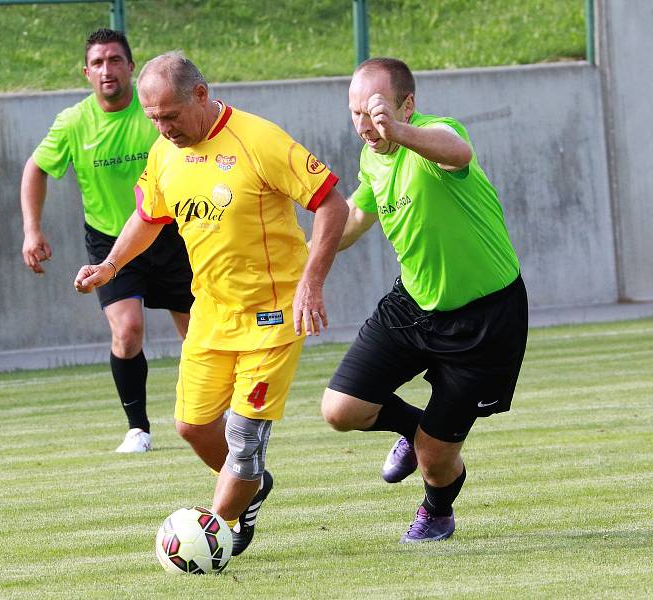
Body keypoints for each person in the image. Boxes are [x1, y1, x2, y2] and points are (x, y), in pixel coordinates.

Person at [74, 51, 349, 556]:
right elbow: (149, 216)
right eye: (153, 118)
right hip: (210, 314)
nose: (163, 127)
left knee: (243, 439)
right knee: (193, 426)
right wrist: (110, 266)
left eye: (170, 116)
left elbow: (331, 202)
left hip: (272, 316)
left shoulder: (259, 140)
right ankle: (251, 485)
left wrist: (312, 280)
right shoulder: (163, 151)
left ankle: (211, 536)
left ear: (201, 95)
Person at [320, 58, 528, 543]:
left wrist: (396, 129)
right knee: (340, 410)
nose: (364, 127)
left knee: (438, 460)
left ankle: (437, 510)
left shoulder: (434, 134)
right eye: (354, 114)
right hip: (412, 307)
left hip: (486, 318)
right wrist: (306, 252)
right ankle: (415, 431)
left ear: (407, 106)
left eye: (373, 113)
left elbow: (457, 153)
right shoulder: (373, 157)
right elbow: (353, 217)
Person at [20, 29, 193, 454]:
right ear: (86, 72)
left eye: (115, 60)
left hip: (172, 235)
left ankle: (212, 413)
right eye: (97, 63)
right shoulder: (73, 122)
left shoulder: (157, 110)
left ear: (131, 68)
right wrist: (31, 229)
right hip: (111, 243)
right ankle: (138, 428)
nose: (106, 70)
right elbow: (36, 168)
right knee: (128, 331)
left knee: (198, 335)